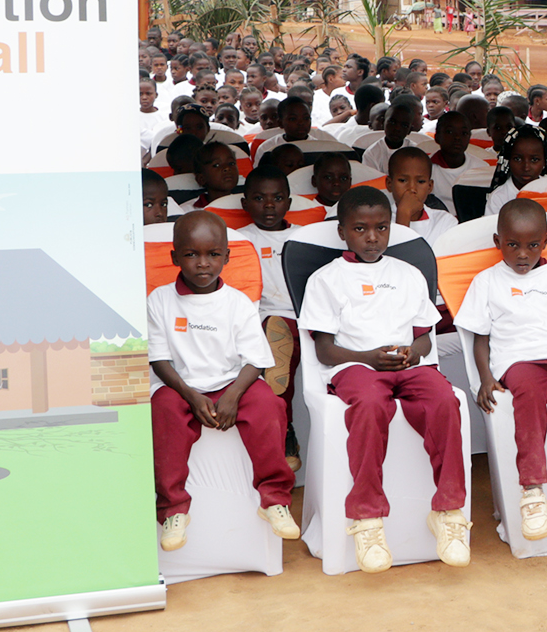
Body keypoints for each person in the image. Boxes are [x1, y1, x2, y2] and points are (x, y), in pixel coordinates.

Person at [296, 187, 470, 572]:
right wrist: (367, 358)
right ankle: (367, 518)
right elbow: (324, 351)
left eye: (381, 228)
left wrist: (414, 352)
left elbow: (425, 335)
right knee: (371, 405)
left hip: (408, 366)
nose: (372, 237)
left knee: (445, 400)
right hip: (354, 367)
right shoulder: (326, 279)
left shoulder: (407, 274)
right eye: (360, 228)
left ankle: (448, 510)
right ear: (342, 231)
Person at [147, 211, 299, 552]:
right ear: (174, 257)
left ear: (227, 257)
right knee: (163, 411)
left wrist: (232, 396)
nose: (203, 263)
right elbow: (159, 359)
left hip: (233, 383)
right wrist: (188, 395)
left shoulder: (238, 303)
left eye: (213, 254)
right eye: (191, 254)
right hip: (180, 386)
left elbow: (255, 360)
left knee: (268, 406)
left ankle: (274, 500)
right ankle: (173, 509)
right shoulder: (159, 301)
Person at [235, 167, 307, 464]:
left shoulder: (304, 238)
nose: (268, 205)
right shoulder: (238, 240)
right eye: (259, 198)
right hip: (264, 317)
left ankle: (284, 428)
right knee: (277, 337)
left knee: (285, 343)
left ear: (288, 203)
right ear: (244, 204)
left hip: (306, 316)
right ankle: (284, 428)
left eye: (277, 198)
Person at [387, 147, 456, 247]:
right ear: (389, 184)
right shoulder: (378, 223)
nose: (412, 188)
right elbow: (397, 259)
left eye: (420, 182)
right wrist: (403, 214)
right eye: (402, 180)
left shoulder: (444, 222)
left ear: (430, 186)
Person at [486, 126, 547, 216]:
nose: (526, 167)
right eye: (518, 159)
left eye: (534, 160)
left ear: (544, 161)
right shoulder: (499, 197)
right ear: (508, 161)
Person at [362, 97, 423, 175]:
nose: (397, 128)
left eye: (404, 125)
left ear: (410, 130)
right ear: (383, 122)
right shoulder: (371, 153)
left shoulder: (416, 153)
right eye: (392, 122)